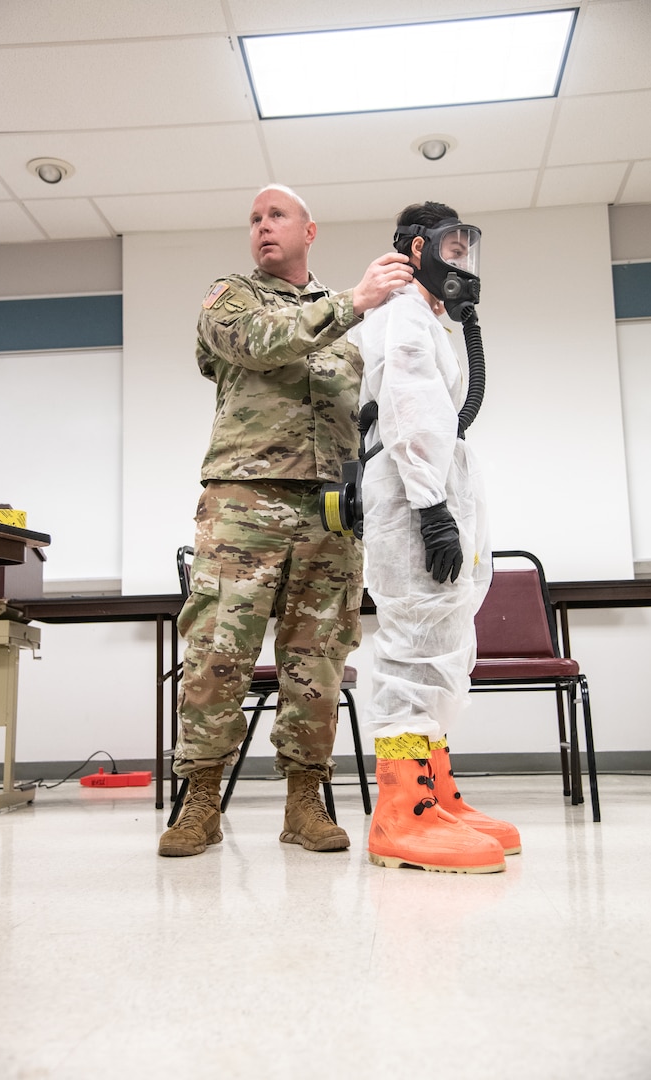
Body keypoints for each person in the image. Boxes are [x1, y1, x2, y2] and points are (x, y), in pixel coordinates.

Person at [159, 184, 413, 858]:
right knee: (218, 653)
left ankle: (305, 801)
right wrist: (355, 302)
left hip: (330, 511)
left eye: (277, 216)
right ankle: (201, 802)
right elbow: (258, 344)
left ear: (310, 231)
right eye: (253, 219)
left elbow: (381, 406)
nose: (262, 228)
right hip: (244, 504)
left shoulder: (353, 329)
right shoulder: (232, 297)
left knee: (317, 661)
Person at [349, 200, 521, 874]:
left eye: (466, 249)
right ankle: (400, 812)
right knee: (414, 650)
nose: (461, 262)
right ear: (413, 248)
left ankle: (435, 794)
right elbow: (410, 409)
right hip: (411, 503)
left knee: (444, 645)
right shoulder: (402, 317)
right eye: (451, 248)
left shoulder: (429, 322)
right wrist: (430, 508)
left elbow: (441, 416)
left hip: (434, 493)